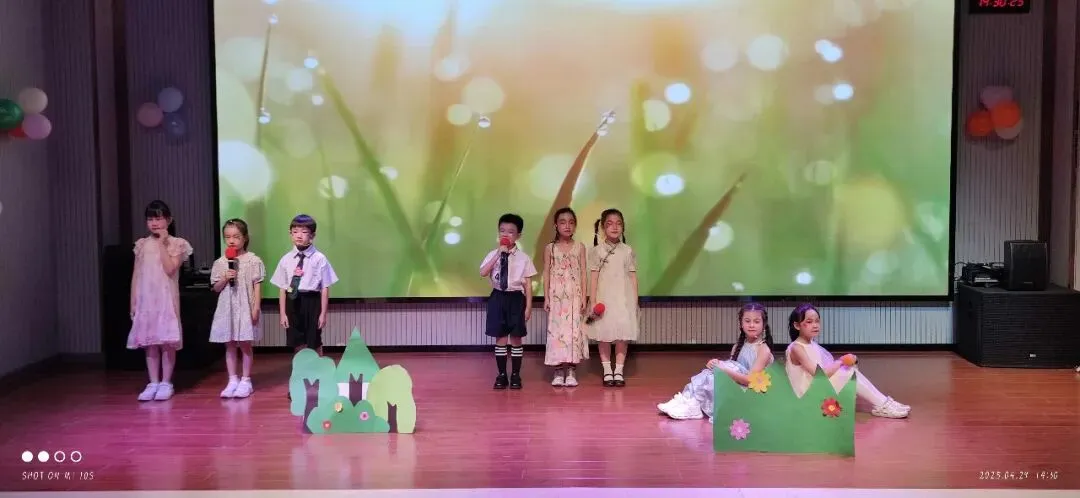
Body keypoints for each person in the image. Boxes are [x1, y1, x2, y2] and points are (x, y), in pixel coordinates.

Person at [785, 303, 910, 419]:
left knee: (849, 369)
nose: (815, 325)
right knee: (848, 372)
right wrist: (841, 361)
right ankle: (882, 404)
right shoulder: (796, 348)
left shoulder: (812, 344)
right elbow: (819, 373)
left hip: (816, 387)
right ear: (797, 325)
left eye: (817, 321)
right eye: (809, 322)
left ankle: (883, 402)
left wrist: (847, 362)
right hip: (807, 395)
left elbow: (826, 369)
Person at [657, 302, 774, 421]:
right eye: (747, 321)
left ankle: (694, 405)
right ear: (741, 324)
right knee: (709, 373)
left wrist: (723, 369)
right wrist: (715, 365)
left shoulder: (763, 350)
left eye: (756, 321)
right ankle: (688, 399)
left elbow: (750, 380)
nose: (752, 325)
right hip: (737, 384)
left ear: (764, 324)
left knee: (715, 377)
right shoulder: (737, 347)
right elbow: (733, 367)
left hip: (749, 392)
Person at [128, 200, 193, 401]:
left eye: (158, 218)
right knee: (150, 342)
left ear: (168, 220)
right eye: (150, 219)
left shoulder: (177, 243)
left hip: (166, 299)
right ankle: (153, 382)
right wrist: (133, 301)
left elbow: (170, 269)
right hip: (147, 300)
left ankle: (166, 382)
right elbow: (136, 274)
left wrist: (163, 243)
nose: (154, 223)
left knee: (167, 342)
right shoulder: (141, 244)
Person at [480, 213, 537, 390]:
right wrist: (498, 254)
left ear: (518, 235)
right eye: (502, 230)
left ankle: (516, 375)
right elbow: (483, 272)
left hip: (516, 298)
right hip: (498, 297)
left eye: (511, 232)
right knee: (501, 337)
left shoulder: (524, 258)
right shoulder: (493, 254)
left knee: (516, 337)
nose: (505, 235)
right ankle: (502, 374)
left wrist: (528, 306)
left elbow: (528, 285)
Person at [209, 218, 265, 398]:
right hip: (228, 307)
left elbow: (257, 285)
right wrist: (225, 277)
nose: (231, 240)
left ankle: (246, 380)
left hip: (245, 306)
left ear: (245, 237)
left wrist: (256, 307)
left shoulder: (253, 260)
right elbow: (216, 288)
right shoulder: (220, 262)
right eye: (228, 237)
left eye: (236, 236)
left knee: (245, 344)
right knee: (230, 344)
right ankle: (232, 379)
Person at [270, 214, 338, 357]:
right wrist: (283, 313)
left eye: (304, 232)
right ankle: (301, 368)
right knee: (297, 339)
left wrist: (323, 314)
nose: (299, 235)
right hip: (292, 300)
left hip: (312, 301)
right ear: (290, 234)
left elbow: (325, 288)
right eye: (295, 232)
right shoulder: (286, 259)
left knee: (314, 339)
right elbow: (282, 288)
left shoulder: (319, 258)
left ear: (312, 235)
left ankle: (317, 367)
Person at [586, 208, 639, 387]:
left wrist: (635, 301)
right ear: (603, 228)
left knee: (623, 335)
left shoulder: (628, 251)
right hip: (604, 298)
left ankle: (619, 371)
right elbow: (594, 277)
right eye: (609, 224)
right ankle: (607, 370)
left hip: (623, 298)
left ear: (623, 227)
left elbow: (632, 276)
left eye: (618, 224)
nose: (615, 227)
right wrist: (593, 301)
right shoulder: (597, 251)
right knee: (604, 334)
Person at [542, 207, 589, 387]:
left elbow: (583, 272)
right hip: (556, 296)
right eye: (562, 222)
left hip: (574, 296)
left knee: (573, 332)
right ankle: (558, 370)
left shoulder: (580, 247)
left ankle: (571, 370)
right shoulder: (550, 248)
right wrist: (546, 297)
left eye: (571, 222)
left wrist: (584, 297)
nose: (567, 226)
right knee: (557, 332)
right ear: (556, 225)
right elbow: (546, 273)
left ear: (575, 226)